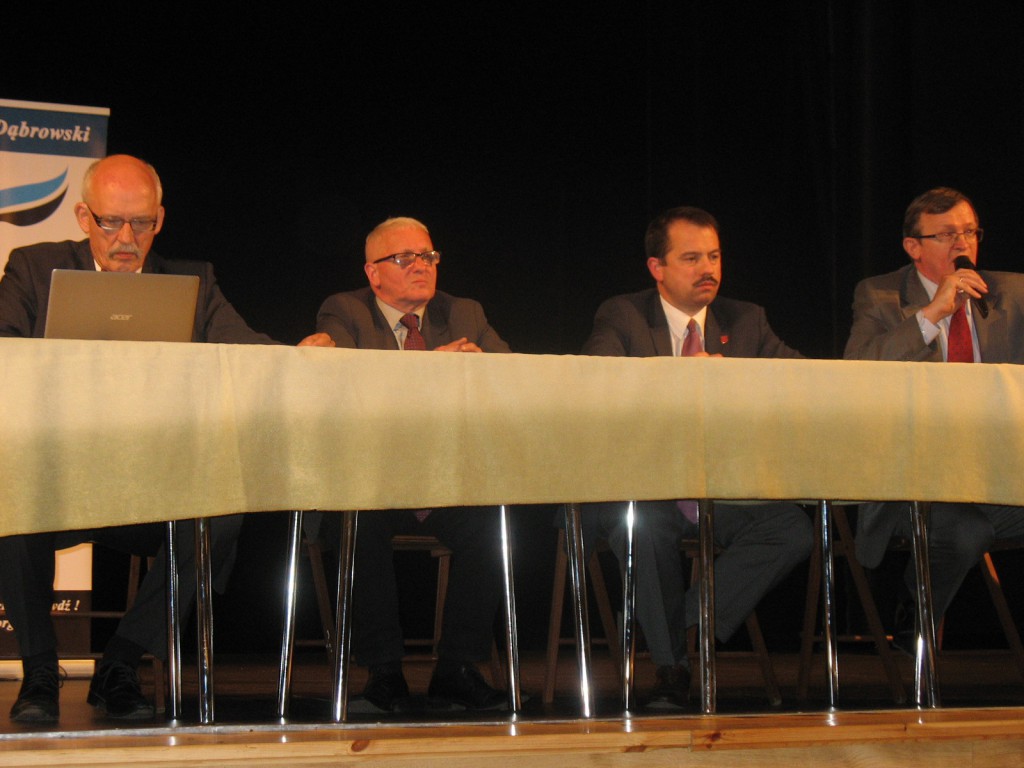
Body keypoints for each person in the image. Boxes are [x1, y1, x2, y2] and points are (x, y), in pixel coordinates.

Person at [0, 155, 332, 724]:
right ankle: (39, 670)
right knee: (8, 495)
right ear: (82, 217)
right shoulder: (34, 268)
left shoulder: (192, 281)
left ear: (160, 219)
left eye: (142, 223)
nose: (127, 239)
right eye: (111, 222)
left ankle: (120, 663)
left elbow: (244, 347)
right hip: (56, 475)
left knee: (217, 518)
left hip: (147, 481)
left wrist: (298, 354)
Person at [581, 205, 813, 709]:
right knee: (642, 526)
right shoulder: (622, 315)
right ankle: (672, 670)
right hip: (647, 484)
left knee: (792, 530)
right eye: (691, 258)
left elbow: (801, 379)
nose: (707, 268)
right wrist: (680, 381)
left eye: (714, 256)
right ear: (657, 268)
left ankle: (672, 621)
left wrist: (738, 382)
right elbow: (600, 382)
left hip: (720, 486)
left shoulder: (747, 320)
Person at [313, 216, 509, 713]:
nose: (421, 265)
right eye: (404, 258)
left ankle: (457, 669)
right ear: (373, 273)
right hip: (372, 479)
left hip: (447, 480)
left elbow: (513, 378)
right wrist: (429, 374)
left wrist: (483, 372)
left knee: (494, 520)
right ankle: (383, 672)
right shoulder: (345, 311)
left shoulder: (463, 313)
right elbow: (342, 388)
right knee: (356, 520)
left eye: (428, 256)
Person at [844, 186, 1024, 639]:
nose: (963, 244)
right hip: (917, 476)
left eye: (970, 232)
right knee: (964, 532)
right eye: (946, 235)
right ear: (914, 247)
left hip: (998, 470)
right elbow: (856, 372)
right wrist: (929, 316)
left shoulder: (1012, 294)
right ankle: (914, 623)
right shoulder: (880, 296)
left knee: (972, 526)